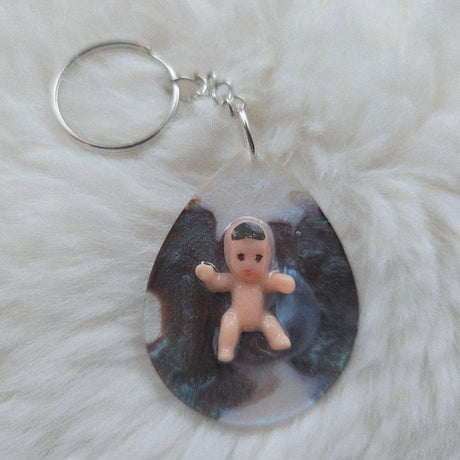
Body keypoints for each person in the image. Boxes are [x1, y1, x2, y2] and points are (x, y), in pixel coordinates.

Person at [195, 217, 295, 362]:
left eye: (258, 258)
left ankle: (279, 339)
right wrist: (209, 276)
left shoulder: (263, 280)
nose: (249, 265)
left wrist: (285, 282)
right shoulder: (233, 280)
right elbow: (216, 282)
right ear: (228, 256)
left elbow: (277, 281)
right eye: (241, 257)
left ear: (267, 256)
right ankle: (226, 349)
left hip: (261, 316)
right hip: (236, 316)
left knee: (270, 322)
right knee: (228, 322)